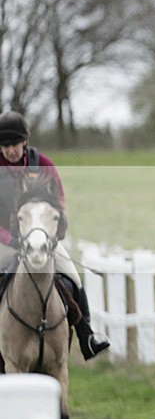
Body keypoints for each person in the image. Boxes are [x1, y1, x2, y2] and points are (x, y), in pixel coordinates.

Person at [0, 111, 110, 361]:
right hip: (5, 240)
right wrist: (11, 240)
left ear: (24, 142)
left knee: (73, 276)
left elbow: (59, 204)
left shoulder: (44, 165)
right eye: (5, 146)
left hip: (42, 238)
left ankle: (87, 336)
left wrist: (54, 235)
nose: (10, 151)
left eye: (14, 145)